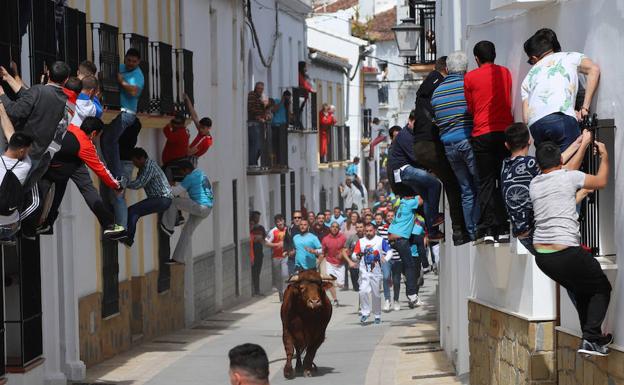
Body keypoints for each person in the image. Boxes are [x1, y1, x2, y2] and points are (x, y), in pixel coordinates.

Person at [530, 141, 612, 356]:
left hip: (543, 257)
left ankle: (592, 339)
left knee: (583, 289)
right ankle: (591, 337)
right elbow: (601, 181)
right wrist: (604, 156)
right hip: (565, 251)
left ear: (539, 165)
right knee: (601, 288)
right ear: (560, 161)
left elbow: (561, 202)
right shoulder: (569, 176)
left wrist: (580, 144)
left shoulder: (535, 183)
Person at [501, 123, 592, 254]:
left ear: (507, 145)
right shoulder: (529, 163)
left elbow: (553, 164)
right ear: (530, 141)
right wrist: (584, 145)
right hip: (539, 234)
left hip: (523, 237)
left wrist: (576, 144)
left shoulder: (505, 165)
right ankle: (584, 192)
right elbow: (568, 169)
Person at [31, 117, 124, 237]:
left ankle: (42, 224)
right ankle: (109, 225)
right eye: (98, 136)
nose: (97, 140)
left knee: (46, 193)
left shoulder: (72, 128)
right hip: (57, 168)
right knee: (88, 189)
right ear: (93, 133)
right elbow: (100, 169)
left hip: (51, 165)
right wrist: (116, 185)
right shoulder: (85, 145)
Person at [412, 56, 470, 246]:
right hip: (430, 145)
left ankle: (441, 224)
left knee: (443, 182)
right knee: (453, 183)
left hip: (422, 146)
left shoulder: (427, 84)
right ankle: (459, 230)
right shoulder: (437, 81)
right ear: (446, 68)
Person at [464, 41, 513, 242]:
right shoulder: (506, 72)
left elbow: (471, 107)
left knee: (485, 181)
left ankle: (486, 228)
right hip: (504, 132)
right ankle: (503, 225)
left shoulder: (470, 77)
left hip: (482, 132)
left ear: (477, 58)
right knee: (503, 178)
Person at [522, 29, 600, 152]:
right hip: (561, 118)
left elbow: (526, 118)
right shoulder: (570, 56)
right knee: (569, 165)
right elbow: (594, 69)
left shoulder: (529, 75)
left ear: (534, 58)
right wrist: (584, 108)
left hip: (536, 125)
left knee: (549, 166)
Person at [431, 50, 479, 241]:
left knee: (465, 189)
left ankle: (471, 230)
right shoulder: (467, 86)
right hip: (467, 140)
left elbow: (436, 118)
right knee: (479, 184)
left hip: (449, 146)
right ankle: (481, 226)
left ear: (448, 69)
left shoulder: (437, 92)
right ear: (466, 68)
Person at [0, 61, 70, 177]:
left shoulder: (39, 90)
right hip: (36, 154)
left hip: (19, 153)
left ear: (48, 72)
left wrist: (2, 94)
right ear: (66, 80)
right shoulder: (62, 100)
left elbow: (15, 111)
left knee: (8, 188)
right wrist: (7, 77)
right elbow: (28, 96)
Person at [387, 112, 444, 239]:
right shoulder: (405, 136)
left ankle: (433, 232)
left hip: (407, 172)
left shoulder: (412, 134)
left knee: (427, 196)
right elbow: (417, 157)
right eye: (416, 124)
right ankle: (434, 217)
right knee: (435, 184)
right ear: (410, 121)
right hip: (405, 171)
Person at [112, 148, 172, 247]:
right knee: (135, 212)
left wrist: (123, 184)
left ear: (142, 158)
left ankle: (128, 237)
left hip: (161, 198)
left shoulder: (149, 166)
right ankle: (128, 238)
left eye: (135, 162)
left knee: (133, 210)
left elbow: (139, 183)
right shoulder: (145, 167)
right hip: (162, 199)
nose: (135, 165)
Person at [102, 48, 144, 183]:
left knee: (110, 140)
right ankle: (113, 170)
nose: (131, 63)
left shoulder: (138, 75)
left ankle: (115, 173)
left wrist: (121, 81)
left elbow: (133, 91)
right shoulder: (120, 67)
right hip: (117, 110)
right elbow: (105, 75)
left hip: (127, 113)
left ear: (138, 62)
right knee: (107, 138)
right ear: (125, 58)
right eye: (129, 60)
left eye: (134, 61)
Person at [161, 161, 213, 264]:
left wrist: (164, 187)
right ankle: (178, 258)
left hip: (199, 206)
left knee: (174, 202)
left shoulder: (190, 177)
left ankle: (168, 227)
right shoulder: (201, 173)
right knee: (187, 232)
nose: (183, 175)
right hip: (207, 209)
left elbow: (175, 192)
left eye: (182, 172)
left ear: (187, 170)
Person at [388, 195, 424, 308]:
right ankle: (412, 295)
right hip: (400, 239)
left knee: (407, 264)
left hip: (394, 239)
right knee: (411, 266)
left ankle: (408, 283)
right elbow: (422, 199)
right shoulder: (410, 203)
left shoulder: (402, 203)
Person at [353, 222, 389, 325]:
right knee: (363, 291)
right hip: (364, 272)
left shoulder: (380, 240)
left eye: (370, 231)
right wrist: (357, 256)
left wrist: (385, 258)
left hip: (376, 272)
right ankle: (365, 312)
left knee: (376, 294)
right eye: (367, 231)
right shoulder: (361, 241)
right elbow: (354, 255)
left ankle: (377, 315)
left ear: (374, 230)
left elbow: (389, 251)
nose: (368, 233)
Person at [0, 130, 33, 242]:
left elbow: (11, 137)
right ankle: (8, 238)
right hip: (10, 227)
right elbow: (10, 136)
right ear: (22, 151)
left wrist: (2, 113)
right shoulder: (26, 165)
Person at [377, 210, 401, 311]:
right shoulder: (381, 229)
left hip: (397, 258)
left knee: (396, 281)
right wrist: (379, 255)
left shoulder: (400, 228)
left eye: (392, 216)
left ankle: (396, 300)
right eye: (388, 216)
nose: (390, 217)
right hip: (385, 258)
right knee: (386, 277)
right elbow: (377, 243)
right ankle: (387, 300)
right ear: (386, 218)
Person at [320, 222, 346, 306]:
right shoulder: (325, 239)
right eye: (333, 227)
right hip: (329, 262)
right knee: (330, 281)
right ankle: (335, 299)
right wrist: (318, 261)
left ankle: (339, 285)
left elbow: (347, 249)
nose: (334, 228)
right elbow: (323, 252)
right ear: (330, 228)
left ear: (338, 229)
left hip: (340, 264)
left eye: (336, 227)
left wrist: (343, 254)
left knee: (340, 284)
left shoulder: (343, 237)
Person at [184, 93, 213, 162]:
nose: (200, 129)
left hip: (191, 159)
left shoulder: (205, 140)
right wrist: (187, 100)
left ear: (209, 128)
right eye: (200, 127)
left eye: (203, 128)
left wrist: (187, 138)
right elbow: (194, 116)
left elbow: (189, 152)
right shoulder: (202, 133)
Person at [265, 214, 288, 301]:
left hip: (285, 256)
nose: (280, 223)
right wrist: (276, 244)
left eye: (281, 221)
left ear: (284, 221)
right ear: (275, 223)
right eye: (277, 222)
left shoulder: (288, 230)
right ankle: (280, 292)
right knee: (278, 277)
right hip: (276, 257)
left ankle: (286, 292)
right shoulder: (273, 231)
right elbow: (266, 242)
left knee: (285, 274)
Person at [248, 82, 267, 166]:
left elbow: (266, 108)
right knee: (255, 144)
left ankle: (254, 161)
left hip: (261, 124)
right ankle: (252, 163)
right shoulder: (252, 95)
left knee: (261, 146)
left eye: (262, 89)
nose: (260, 90)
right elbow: (250, 108)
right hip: (253, 123)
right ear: (256, 88)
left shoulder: (262, 97)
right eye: (259, 88)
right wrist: (258, 117)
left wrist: (265, 105)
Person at [270, 90, 291, 166]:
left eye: (288, 98)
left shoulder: (287, 104)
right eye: (286, 97)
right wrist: (282, 101)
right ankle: (275, 162)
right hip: (276, 126)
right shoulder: (277, 101)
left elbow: (288, 116)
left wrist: (288, 106)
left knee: (282, 146)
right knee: (275, 145)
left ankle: (281, 162)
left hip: (283, 127)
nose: (287, 99)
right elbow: (274, 110)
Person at [249, 211, 266, 296]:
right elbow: (251, 238)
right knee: (253, 272)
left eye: (258, 218)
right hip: (252, 254)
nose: (257, 219)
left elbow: (263, 239)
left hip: (259, 253)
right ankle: (253, 290)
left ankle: (257, 290)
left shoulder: (261, 228)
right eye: (256, 217)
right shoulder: (249, 227)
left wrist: (259, 238)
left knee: (257, 272)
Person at [344, 221, 365, 292]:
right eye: (357, 227)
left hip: (365, 266)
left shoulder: (368, 238)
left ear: (364, 228)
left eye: (361, 227)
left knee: (365, 287)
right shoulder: (352, 238)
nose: (359, 229)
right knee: (357, 288)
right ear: (355, 228)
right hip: (354, 265)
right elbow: (344, 251)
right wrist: (349, 261)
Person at [282, 210, 303, 275]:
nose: (297, 219)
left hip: (304, 261)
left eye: (299, 217)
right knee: (293, 281)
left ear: (302, 218)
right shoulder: (289, 229)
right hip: (292, 260)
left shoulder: (307, 229)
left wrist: (296, 251)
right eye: (295, 217)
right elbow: (286, 241)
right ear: (293, 219)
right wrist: (285, 250)